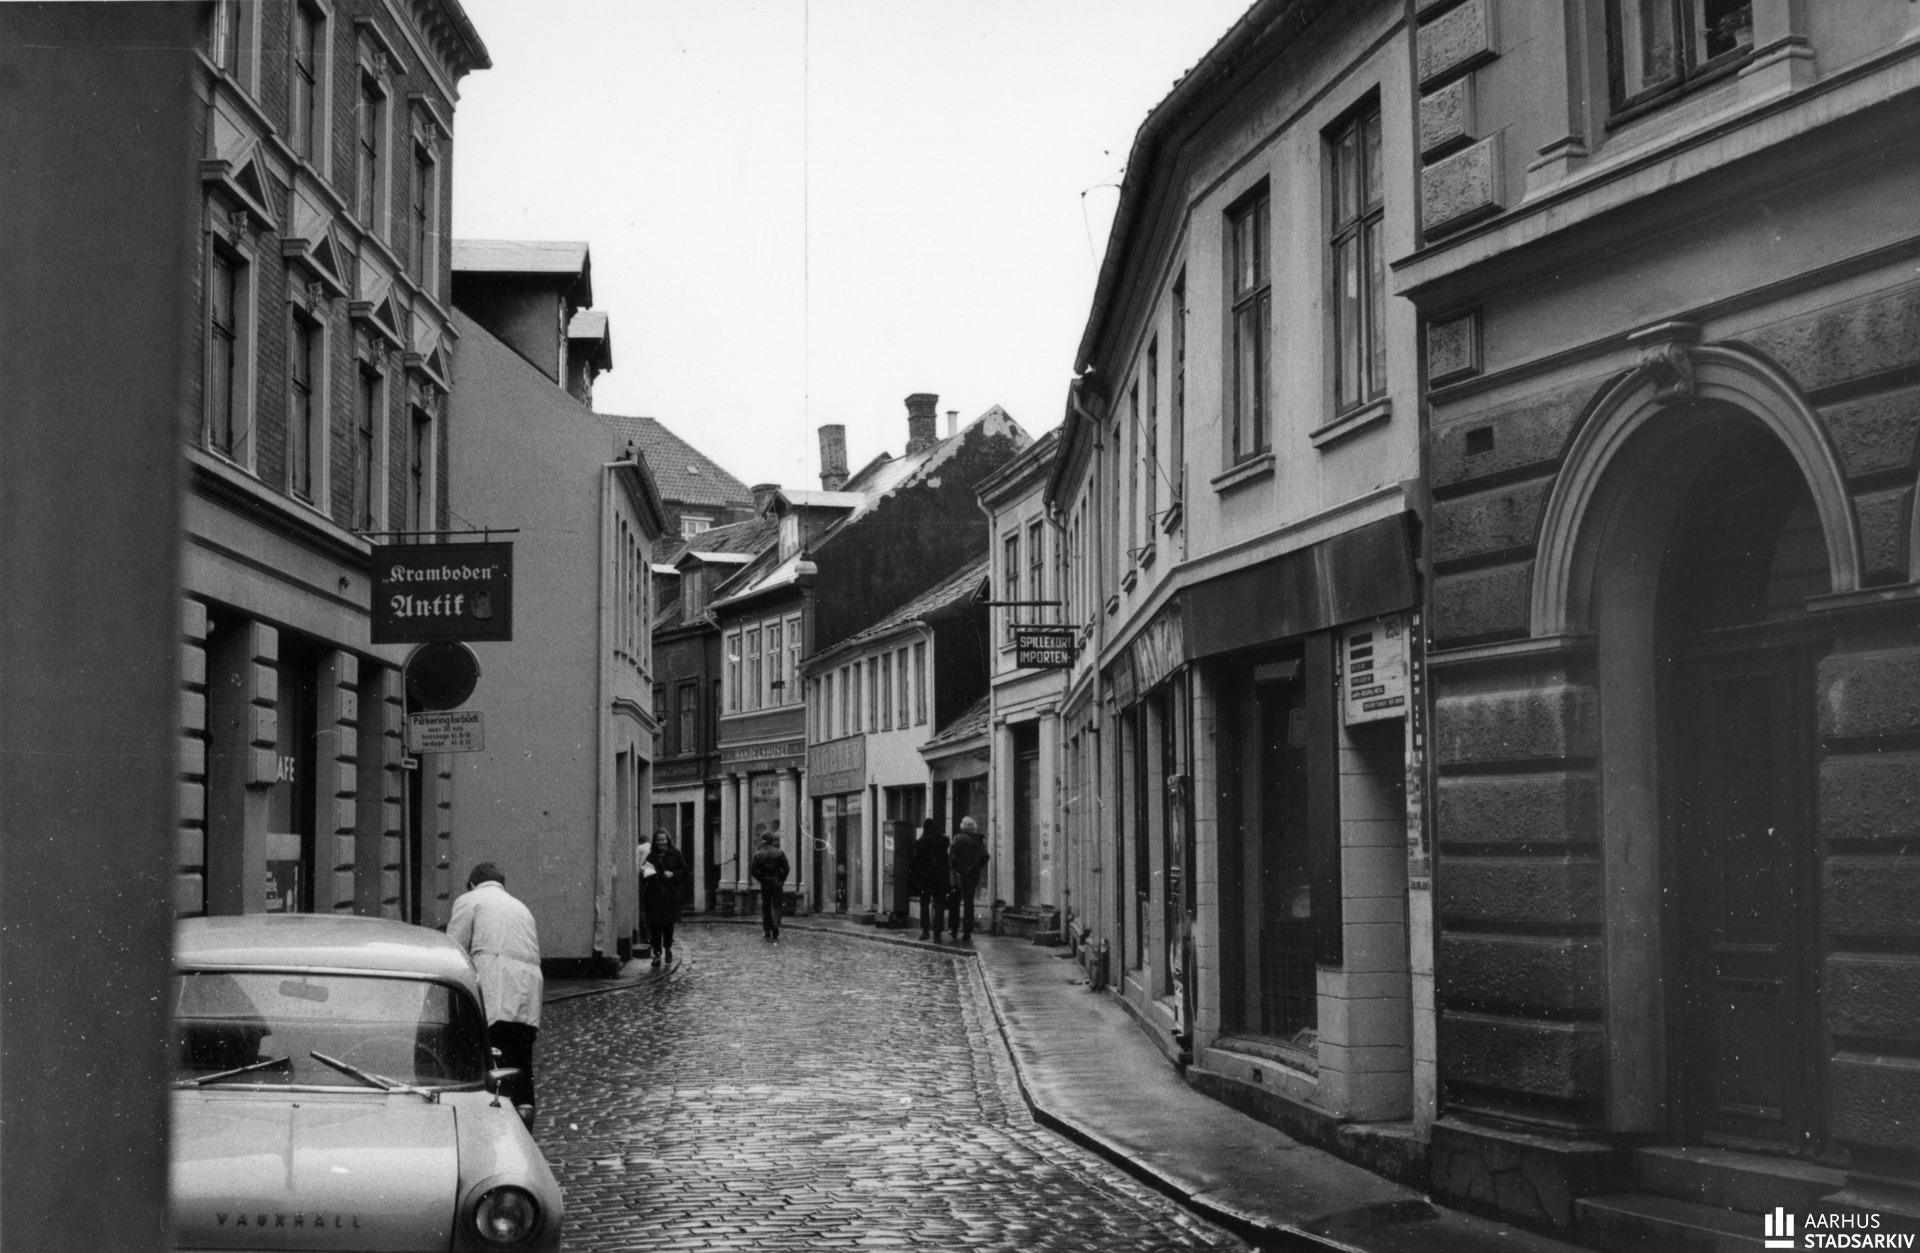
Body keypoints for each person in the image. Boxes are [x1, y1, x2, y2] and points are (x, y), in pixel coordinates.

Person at [447, 863, 543, 1126]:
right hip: (527, 994)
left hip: (494, 990)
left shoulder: (470, 900)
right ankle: (525, 1116)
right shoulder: (520, 907)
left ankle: (491, 1121)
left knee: (489, 1058)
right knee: (521, 1061)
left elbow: (454, 949)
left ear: (472, 884)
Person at [641, 832, 687, 966]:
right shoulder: (651, 856)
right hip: (654, 897)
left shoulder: (675, 854)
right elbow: (645, 877)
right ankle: (657, 954)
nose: (661, 842)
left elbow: (684, 871)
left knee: (668, 926)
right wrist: (646, 873)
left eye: (663, 840)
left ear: (668, 840)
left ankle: (668, 949)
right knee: (654, 927)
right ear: (655, 842)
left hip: (669, 897)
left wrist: (673, 874)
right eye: (658, 840)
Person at [949, 816, 990, 943]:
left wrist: (954, 869)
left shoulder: (957, 839)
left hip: (958, 875)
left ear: (962, 827)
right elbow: (985, 856)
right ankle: (967, 932)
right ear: (973, 827)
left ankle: (954, 929)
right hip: (972, 875)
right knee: (969, 902)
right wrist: (976, 867)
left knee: (955, 902)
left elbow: (951, 857)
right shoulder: (978, 841)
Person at [912, 818, 951, 942]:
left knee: (924, 905)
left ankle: (925, 932)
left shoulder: (920, 842)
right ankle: (937, 935)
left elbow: (915, 862)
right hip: (940, 878)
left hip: (925, 879)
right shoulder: (944, 841)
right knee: (939, 905)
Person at [750, 831, 790, 942]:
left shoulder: (758, 854)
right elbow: (786, 868)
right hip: (777, 882)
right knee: (777, 905)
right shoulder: (779, 853)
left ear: (763, 841)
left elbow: (753, 871)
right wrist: (781, 880)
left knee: (766, 906)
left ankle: (767, 930)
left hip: (765, 882)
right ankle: (776, 924)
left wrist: (761, 879)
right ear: (772, 841)